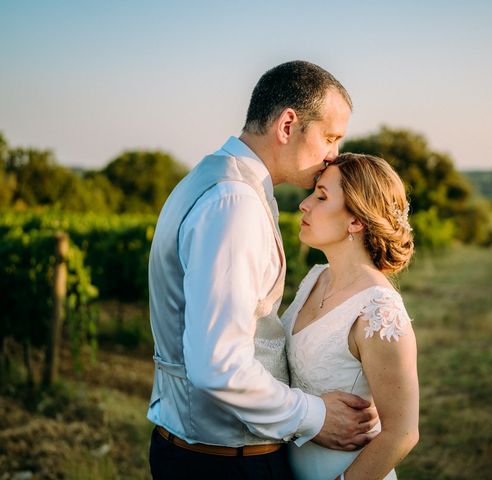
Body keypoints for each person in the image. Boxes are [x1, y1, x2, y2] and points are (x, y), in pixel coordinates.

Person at [147, 61, 378, 479]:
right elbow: (218, 365)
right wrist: (316, 415)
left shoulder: (211, 178)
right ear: (288, 124)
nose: (334, 155)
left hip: (200, 450)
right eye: (330, 137)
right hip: (224, 462)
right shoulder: (233, 203)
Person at [283, 153, 420, 479]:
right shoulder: (315, 277)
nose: (304, 204)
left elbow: (402, 433)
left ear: (356, 221)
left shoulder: (378, 311)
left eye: (321, 196)